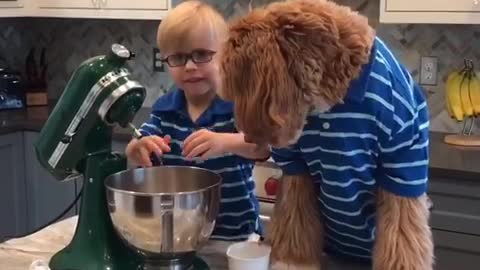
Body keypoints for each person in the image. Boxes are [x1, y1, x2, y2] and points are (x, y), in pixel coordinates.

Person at [218, 0, 433, 270]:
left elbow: (404, 205)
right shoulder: (293, 86)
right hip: (325, 253)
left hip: (379, 252)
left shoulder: (390, 98)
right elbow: (296, 188)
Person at [125, 0, 270, 241]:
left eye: (201, 54)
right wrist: (137, 148)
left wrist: (226, 142)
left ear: (224, 56)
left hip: (236, 235)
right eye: (178, 57)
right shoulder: (165, 110)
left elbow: (263, 147)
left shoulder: (238, 106)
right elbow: (137, 144)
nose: (190, 66)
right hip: (180, 235)